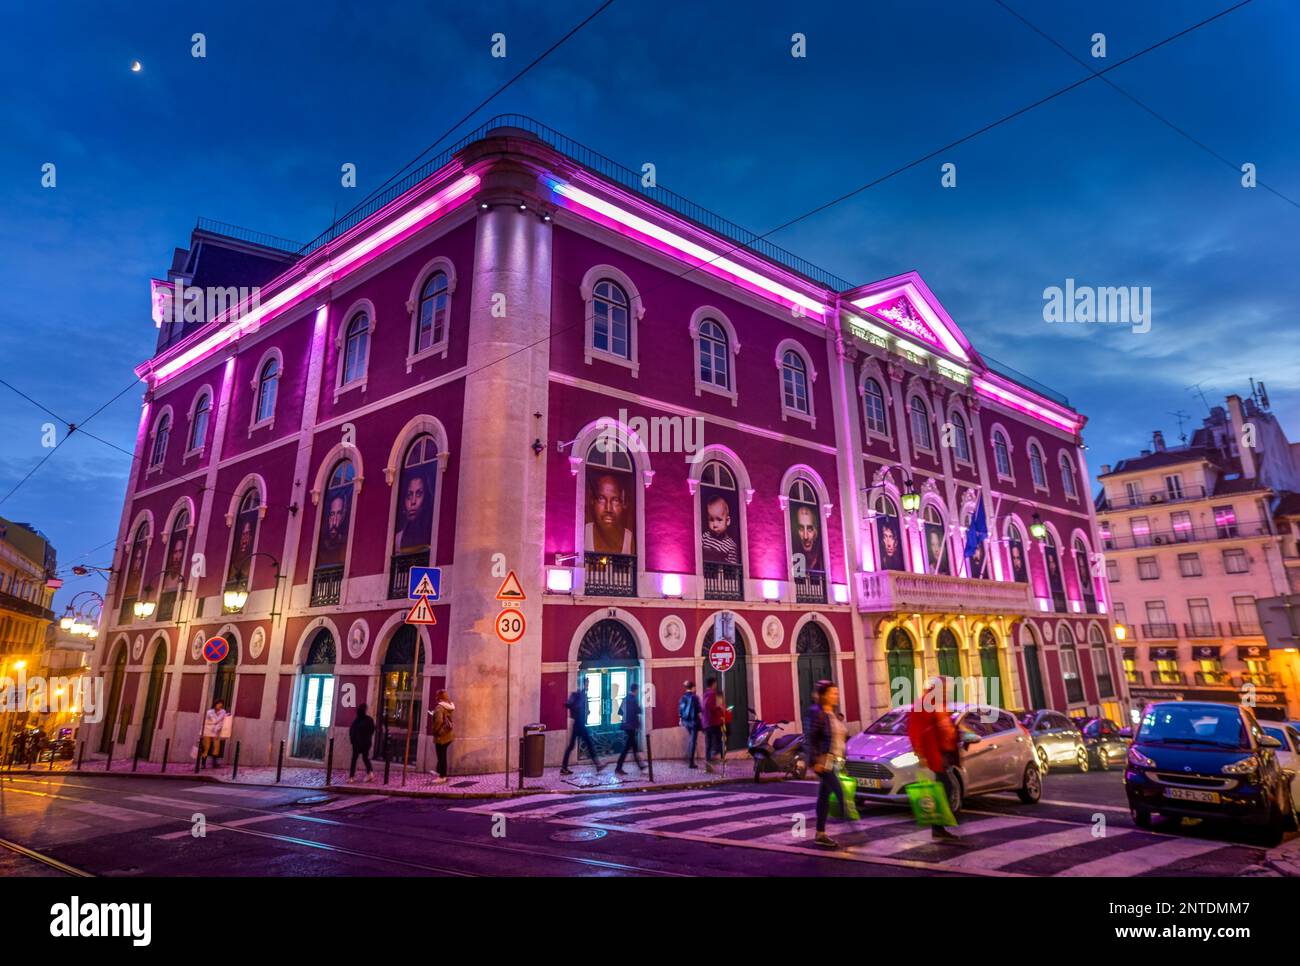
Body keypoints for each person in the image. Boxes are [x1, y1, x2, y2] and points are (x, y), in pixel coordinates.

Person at [907, 678, 963, 842]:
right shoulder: (923, 704)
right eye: (944, 689)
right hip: (933, 754)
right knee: (945, 787)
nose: (946, 692)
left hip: (944, 753)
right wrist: (920, 753)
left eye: (947, 689)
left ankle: (939, 826)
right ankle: (938, 826)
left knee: (947, 787)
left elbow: (944, 726)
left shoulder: (940, 704)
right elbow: (915, 730)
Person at [804, 680, 847, 848]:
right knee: (839, 791)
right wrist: (814, 760)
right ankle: (854, 826)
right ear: (823, 695)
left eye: (836, 693)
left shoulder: (833, 713)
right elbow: (810, 738)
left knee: (824, 797)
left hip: (835, 760)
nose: (836, 696)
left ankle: (820, 834)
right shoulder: (816, 712)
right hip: (823, 761)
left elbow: (839, 737)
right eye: (832, 693)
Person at [560, 678, 602, 774]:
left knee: (573, 745)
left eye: (588, 683)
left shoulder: (582, 694)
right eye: (587, 683)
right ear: (584, 684)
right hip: (579, 723)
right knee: (586, 744)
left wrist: (586, 711)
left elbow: (577, 706)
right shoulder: (580, 694)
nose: (588, 686)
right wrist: (580, 709)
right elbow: (572, 705)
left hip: (579, 723)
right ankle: (598, 764)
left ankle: (564, 767)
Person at [585, 472, 634, 554]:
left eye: (615, 500)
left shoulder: (629, 538)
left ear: (623, 504)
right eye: (601, 499)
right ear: (592, 501)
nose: (608, 508)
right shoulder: (583, 533)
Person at [393, 470, 433, 554]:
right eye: (409, 495)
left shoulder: (433, 534)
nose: (413, 501)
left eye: (419, 494)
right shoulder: (398, 539)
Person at [615, 683, 645, 773]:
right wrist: (639, 708)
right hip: (631, 726)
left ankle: (640, 765)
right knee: (628, 747)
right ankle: (618, 767)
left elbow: (619, 712)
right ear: (635, 690)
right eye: (637, 690)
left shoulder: (625, 698)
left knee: (633, 745)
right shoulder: (633, 699)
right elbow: (639, 711)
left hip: (626, 726)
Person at [701, 495, 740, 565]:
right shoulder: (705, 536)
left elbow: (733, 567)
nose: (715, 525)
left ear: (727, 521)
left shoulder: (731, 546)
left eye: (719, 520)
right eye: (711, 520)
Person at [428, 689, 454, 783]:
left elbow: (439, 721)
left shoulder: (439, 708)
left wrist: (434, 730)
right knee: (442, 755)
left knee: (441, 756)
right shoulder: (449, 706)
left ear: (439, 697)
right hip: (448, 734)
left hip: (441, 735)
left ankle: (442, 776)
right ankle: (440, 772)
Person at [701, 676, 724, 772]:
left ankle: (708, 765)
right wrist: (719, 708)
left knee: (708, 744)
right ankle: (713, 756)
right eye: (715, 683)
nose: (716, 685)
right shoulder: (711, 694)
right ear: (713, 683)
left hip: (706, 723)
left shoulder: (705, 694)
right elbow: (709, 706)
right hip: (713, 722)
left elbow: (704, 707)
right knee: (717, 741)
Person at [348, 702, 376, 782]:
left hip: (357, 743)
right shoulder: (369, 720)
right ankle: (370, 773)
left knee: (355, 759)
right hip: (365, 743)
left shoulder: (357, 720)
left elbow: (352, 731)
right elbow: (372, 730)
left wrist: (353, 740)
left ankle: (351, 777)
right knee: (365, 758)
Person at [678, 681, 702, 768]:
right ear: (693, 687)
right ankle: (691, 762)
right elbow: (699, 711)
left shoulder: (682, 698)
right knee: (693, 741)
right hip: (694, 722)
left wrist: (681, 720)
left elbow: (680, 710)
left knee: (692, 740)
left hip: (686, 722)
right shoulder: (695, 697)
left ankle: (690, 759)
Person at [794, 505, 824, 573]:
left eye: (810, 529)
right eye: (801, 529)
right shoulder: (796, 558)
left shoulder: (820, 558)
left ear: (815, 532)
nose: (805, 537)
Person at [199, 700, 228, 769]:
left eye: (221, 705)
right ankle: (203, 763)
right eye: (218, 704)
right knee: (206, 747)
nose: (219, 706)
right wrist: (221, 719)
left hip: (216, 730)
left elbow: (221, 721)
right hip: (207, 730)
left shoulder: (223, 712)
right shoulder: (209, 712)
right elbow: (215, 720)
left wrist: (224, 717)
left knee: (216, 746)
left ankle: (214, 763)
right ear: (215, 704)